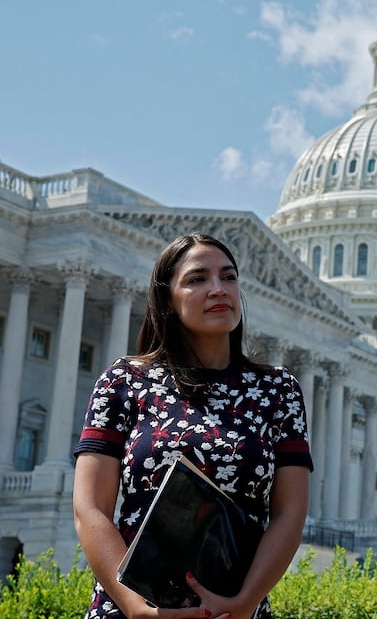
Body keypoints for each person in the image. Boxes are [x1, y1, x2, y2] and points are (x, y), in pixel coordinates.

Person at [73, 233, 313, 619]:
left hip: (234, 608)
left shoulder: (278, 390)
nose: (218, 289)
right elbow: (90, 508)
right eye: (198, 279)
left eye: (229, 277)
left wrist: (243, 604)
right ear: (168, 301)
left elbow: (290, 512)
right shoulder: (125, 380)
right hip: (133, 607)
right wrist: (138, 609)